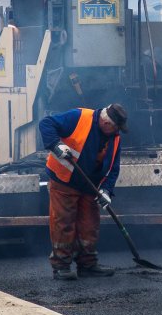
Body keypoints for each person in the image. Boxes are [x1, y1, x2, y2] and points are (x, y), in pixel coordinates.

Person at [40, 103, 126, 280]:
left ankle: (88, 265)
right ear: (106, 123)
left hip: (90, 186)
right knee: (63, 223)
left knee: (89, 225)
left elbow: (113, 168)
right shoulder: (78, 117)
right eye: (116, 128)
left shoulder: (114, 137)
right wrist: (56, 145)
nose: (117, 132)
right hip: (64, 180)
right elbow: (46, 123)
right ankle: (61, 266)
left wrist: (106, 191)